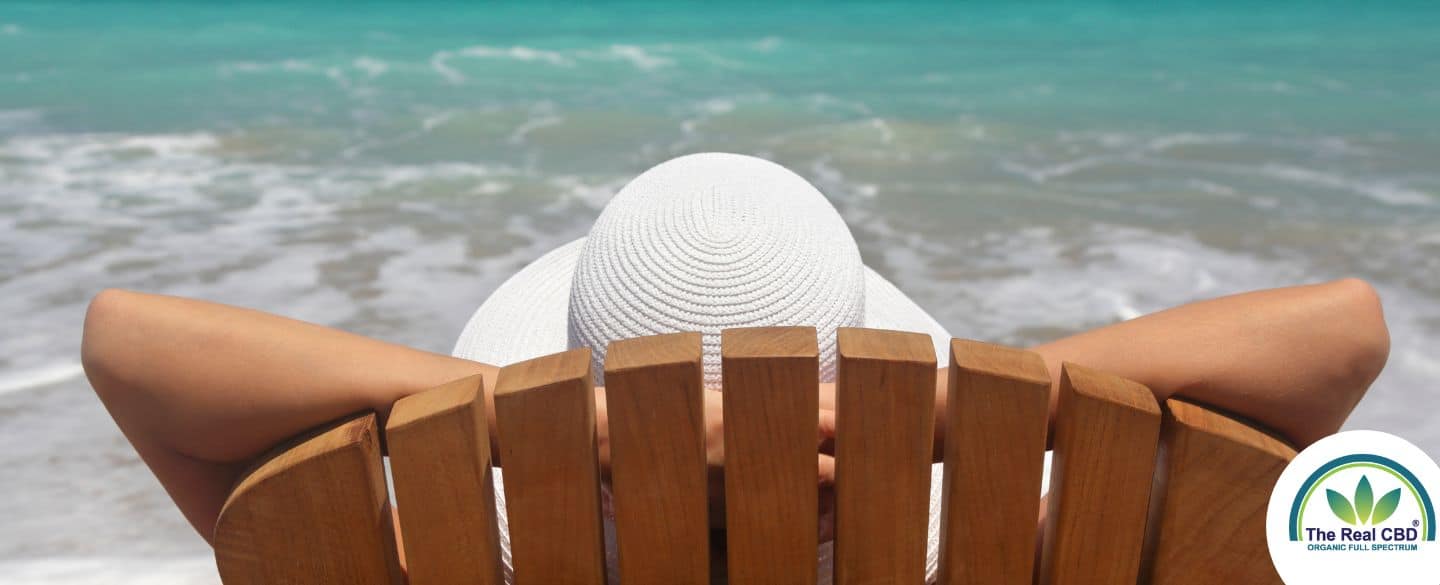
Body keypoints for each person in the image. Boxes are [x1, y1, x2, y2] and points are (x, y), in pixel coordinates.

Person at [83, 153, 1389, 582]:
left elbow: (126, 344)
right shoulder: (1006, 544)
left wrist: (533, 423)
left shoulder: (442, 552)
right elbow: (1341, 332)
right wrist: (934, 409)